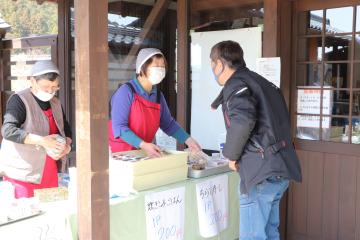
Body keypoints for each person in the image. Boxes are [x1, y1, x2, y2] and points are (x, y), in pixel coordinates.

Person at [210, 41, 302, 240]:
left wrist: (231, 157)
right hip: (280, 168)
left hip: (260, 172)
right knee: (270, 232)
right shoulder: (261, 82)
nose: (213, 70)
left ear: (219, 64)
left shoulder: (236, 84)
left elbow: (243, 121)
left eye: (212, 65)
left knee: (253, 236)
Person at [0, 60, 72, 198]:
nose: (50, 91)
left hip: (49, 169)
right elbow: (8, 130)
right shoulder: (20, 100)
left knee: (50, 209)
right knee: (26, 212)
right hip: (22, 171)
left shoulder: (55, 103)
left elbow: (65, 127)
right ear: (33, 81)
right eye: (46, 87)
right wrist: (42, 140)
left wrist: (67, 145)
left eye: (55, 87)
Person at [109, 48, 201, 156]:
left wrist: (188, 140)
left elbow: (168, 124)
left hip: (143, 152)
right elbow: (119, 128)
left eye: (162, 67)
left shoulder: (158, 96)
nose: (160, 69)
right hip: (121, 154)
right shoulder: (126, 92)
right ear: (142, 67)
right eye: (156, 66)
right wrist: (143, 144)